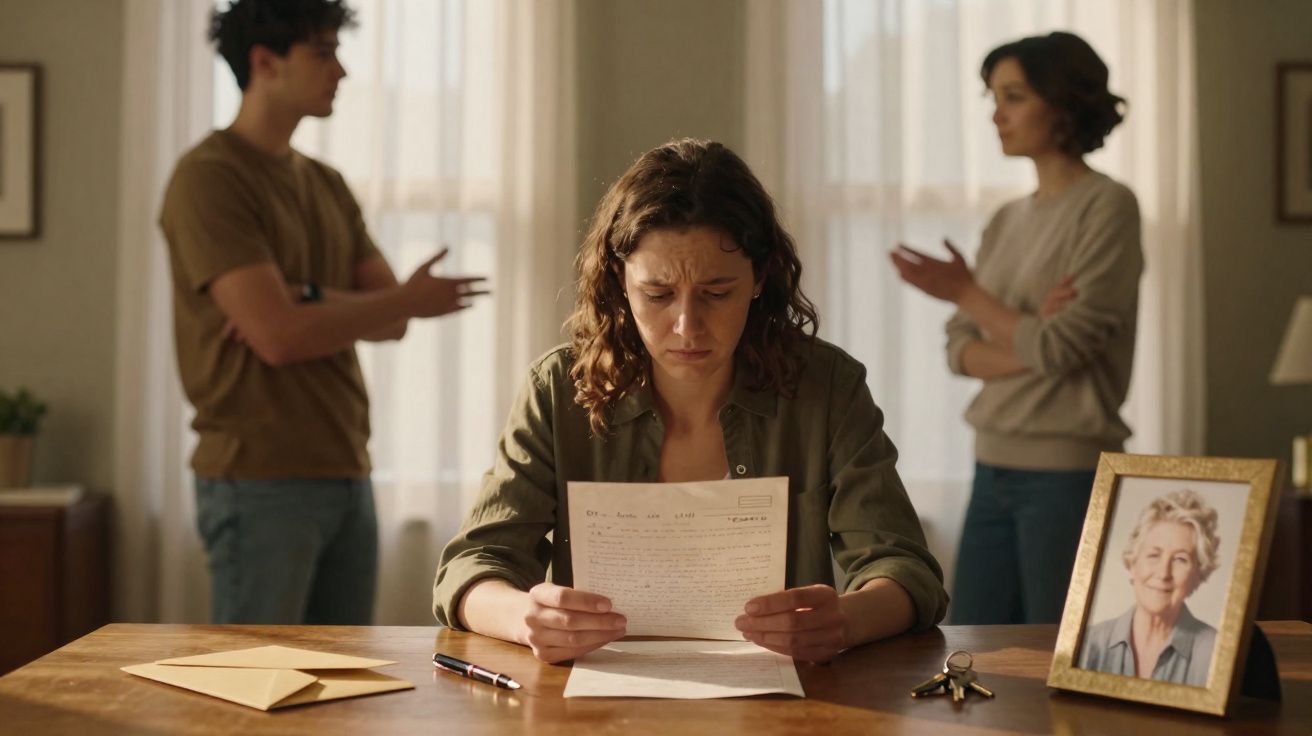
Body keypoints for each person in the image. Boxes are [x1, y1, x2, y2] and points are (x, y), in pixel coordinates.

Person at [433, 138, 948, 664]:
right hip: (594, 698)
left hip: (788, 701)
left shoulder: (825, 386)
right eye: (657, 295)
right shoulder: (557, 389)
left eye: (717, 292)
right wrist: (526, 619)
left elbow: (906, 569)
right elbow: (472, 566)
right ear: (619, 281)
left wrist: (846, 619)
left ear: (760, 277)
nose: (686, 326)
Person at [159, 0, 488, 625]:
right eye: (322, 52)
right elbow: (278, 337)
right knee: (255, 693)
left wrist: (306, 297)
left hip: (345, 469)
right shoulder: (209, 179)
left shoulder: (325, 184)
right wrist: (383, 303)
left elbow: (389, 319)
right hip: (257, 479)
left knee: (341, 694)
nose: (341, 71)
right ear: (264, 63)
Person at [889, 31, 1143, 625]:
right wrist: (1033, 335)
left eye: (1013, 97)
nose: (995, 114)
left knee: (1056, 657)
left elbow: (1055, 344)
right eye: (991, 97)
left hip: (1068, 475)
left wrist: (969, 296)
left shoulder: (1108, 206)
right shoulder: (1006, 220)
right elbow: (958, 349)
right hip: (992, 465)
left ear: (1062, 104)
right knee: (974, 652)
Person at [1079, 489, 1220, 686]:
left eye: (1181, 559)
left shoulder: (1216, 653)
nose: (1163, 573)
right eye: (1154, 555)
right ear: (1132, 562)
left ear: (1198, 575)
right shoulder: (1088, 644)